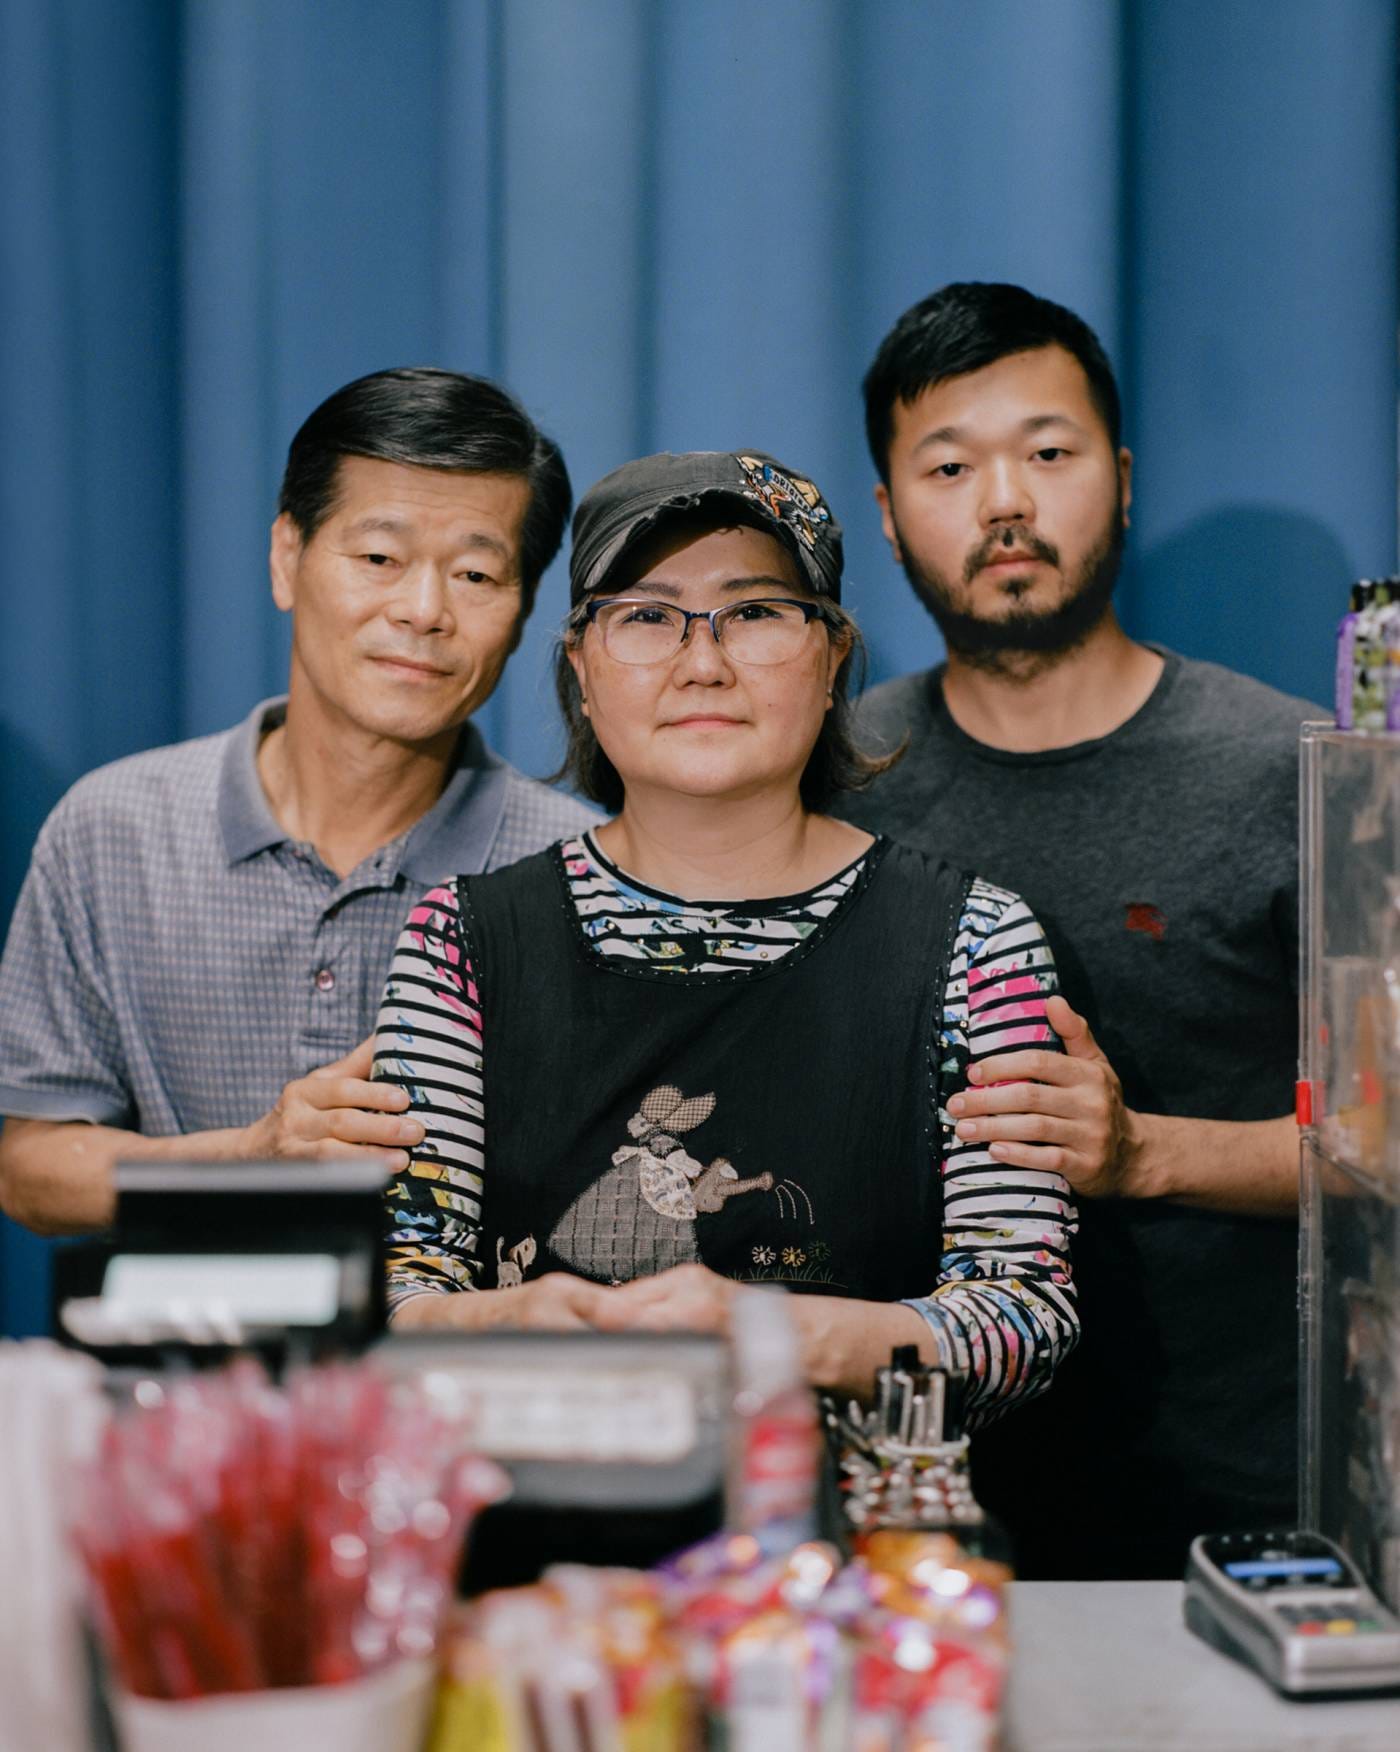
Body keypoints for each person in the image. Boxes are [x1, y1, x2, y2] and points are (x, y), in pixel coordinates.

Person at [373, 448, 1079, 1413]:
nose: (702, 664)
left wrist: (787, 1337)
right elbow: (394, 1294)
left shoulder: (976, 943)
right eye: (647, 619)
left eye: (755, 613)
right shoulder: (461, 943)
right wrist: (533, 1323)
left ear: (832, 659)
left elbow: (1026, 1317)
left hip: (861, 1544)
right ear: (580, 668)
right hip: (537, 1530)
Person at [836, 281, 1317, 1574]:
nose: (1005, 501)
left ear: (1119, 473)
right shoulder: (831, 779)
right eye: (950, 464)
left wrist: (1147, 1152)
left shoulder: (1294, 770)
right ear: (887, 515)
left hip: (1246, 1498)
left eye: (1048, 453)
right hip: (911, 1500)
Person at [0, 367, 597, 1236]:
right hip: (194, 1364)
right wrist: (250, 1159)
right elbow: (28, 1168)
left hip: (473, 1363)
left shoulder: (579, 873)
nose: (424, 610)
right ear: (288, 558)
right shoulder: (113, 830)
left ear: (525, 609)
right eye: (380, 559)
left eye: (475, 575)